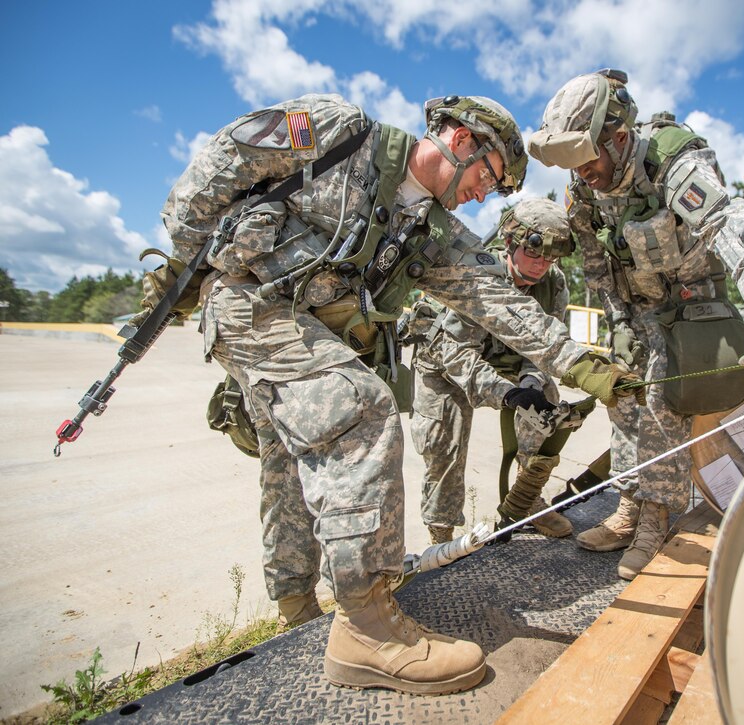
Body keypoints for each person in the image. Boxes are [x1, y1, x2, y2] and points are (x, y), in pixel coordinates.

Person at [158, 92, 639, 696]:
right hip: (250, 304)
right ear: (463, 141)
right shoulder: (341, 133)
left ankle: (297, 609)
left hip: (307, 329)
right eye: (493, 178)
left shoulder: (431, 234)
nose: (486, 195)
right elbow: (230, 155)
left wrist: (582, 366)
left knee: (287, 462)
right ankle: (367, 624)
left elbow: (500, 303)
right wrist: (184, 259)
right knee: (362, 409)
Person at [528, 70, 744, 581]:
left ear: (619, 138)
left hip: (694, 306)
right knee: (623, 394)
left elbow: (729, 220)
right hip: (638, 310)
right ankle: (630, 503)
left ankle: (655, 517)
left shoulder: (670, 160)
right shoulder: (584, 191)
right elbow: (596, 262)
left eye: (588, 162)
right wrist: (617, 321)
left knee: (663, 402)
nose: (582, 175)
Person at [410, 198, 577, 543]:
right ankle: (441, 536)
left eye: (551, 256)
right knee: (444, 444)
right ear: (512, 242)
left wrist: (531, 382)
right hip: (446, 362)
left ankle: (527, 500)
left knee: (546, 405)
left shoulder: (554, 285)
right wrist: (510, 394)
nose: (542, 264)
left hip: (509, 360)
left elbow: (545, 346)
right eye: (535, 252)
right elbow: (457, 357)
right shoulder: (477, 273)